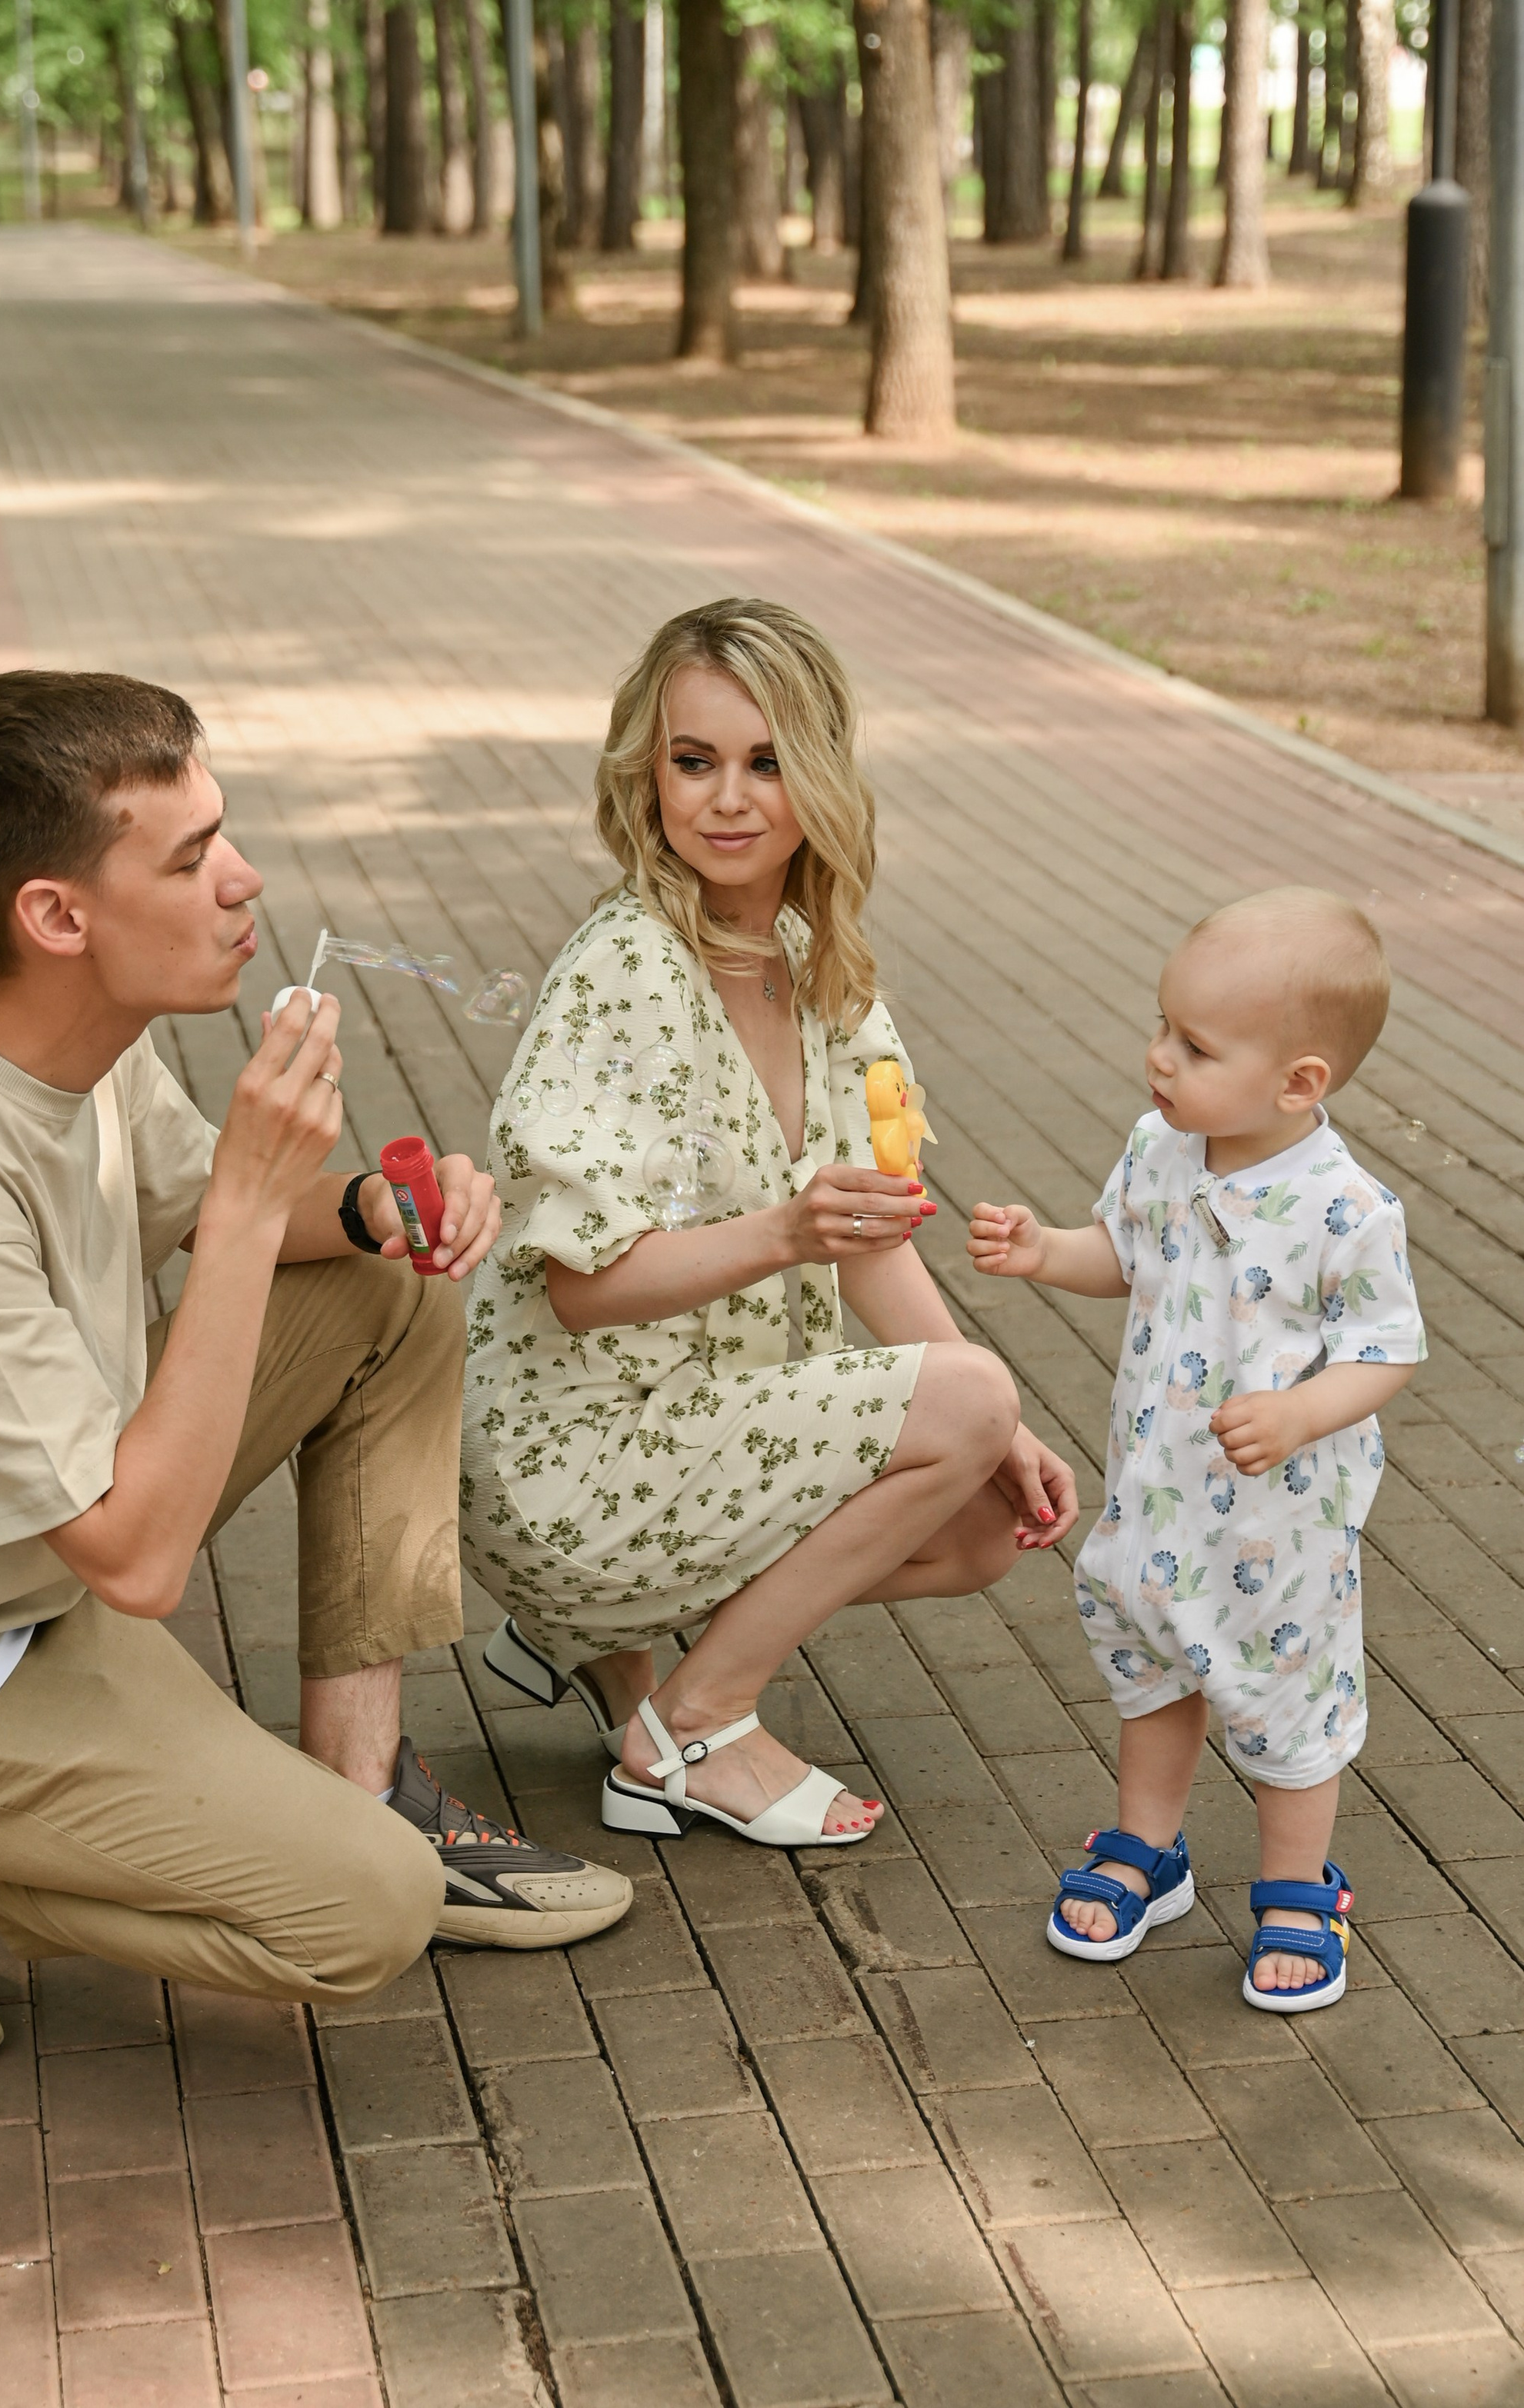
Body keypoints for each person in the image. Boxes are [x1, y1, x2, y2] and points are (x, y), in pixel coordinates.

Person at [0, 670, 631, 2079]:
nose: (244, 882)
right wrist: (250, 1206)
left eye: (223, 834)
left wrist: (366, 1204)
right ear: (57, 917)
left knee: (385, 1294)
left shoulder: (55, 1025)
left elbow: (199, 1210)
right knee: (366, 1913)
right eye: (190, 859)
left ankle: (362, 1776)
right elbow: (136, 1560)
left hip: (19, 1544)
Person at [462, 597, 1079, 1849]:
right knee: (966, 1406)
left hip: (688, 1423)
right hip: (566, 1452)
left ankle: (589, 1641)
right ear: (650, 772)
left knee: (981, 1520)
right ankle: (694, 1725)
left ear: (822, 777)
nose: (728, 799)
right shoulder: (628, 969)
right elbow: (582, 1289)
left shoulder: (811, 956)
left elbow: (873, 1230)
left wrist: (987, 1413)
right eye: (694, 762)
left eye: (767, 762)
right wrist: (794, 1242)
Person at [969, 884, 1423, 2013]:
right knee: (1152, 1662)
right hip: (1161, 1498)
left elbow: (1389, 1352)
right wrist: (1044, 1254)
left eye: (1194, 1044)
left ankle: (1293, 1885)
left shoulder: (1343, 1208)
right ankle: (1147, 1847)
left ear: (1299, 1082)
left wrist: (1304, 1413)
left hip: (1282, 1522)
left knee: (1284, 1698)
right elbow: (1124, 1257)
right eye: (1162, 1026)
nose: (1158, 1057)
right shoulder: (1163, 1148)